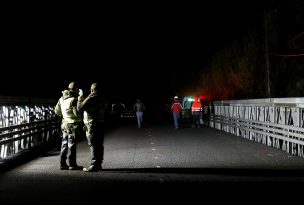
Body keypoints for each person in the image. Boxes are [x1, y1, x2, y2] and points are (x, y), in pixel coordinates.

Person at [77, 82, 108, 172]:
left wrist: (80, 99)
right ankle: (99, 164)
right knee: (99, 144)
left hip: (91, 124)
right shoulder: (104, 99)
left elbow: (80, 108)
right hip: (101, 123)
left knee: (93, 144)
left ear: (92, 89)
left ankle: (94, 165)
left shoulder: (91, 98)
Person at [55, 82, 83, 170]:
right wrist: (81, 118)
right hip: (72, 125)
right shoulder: (74, 100)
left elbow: (57, 111)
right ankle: (72, 164)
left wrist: (65, 115)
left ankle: (62, 164)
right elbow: (76, 113)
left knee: (64, 144)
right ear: (75, 90)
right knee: (72, 145)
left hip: (64, 124)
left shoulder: (61, 99)